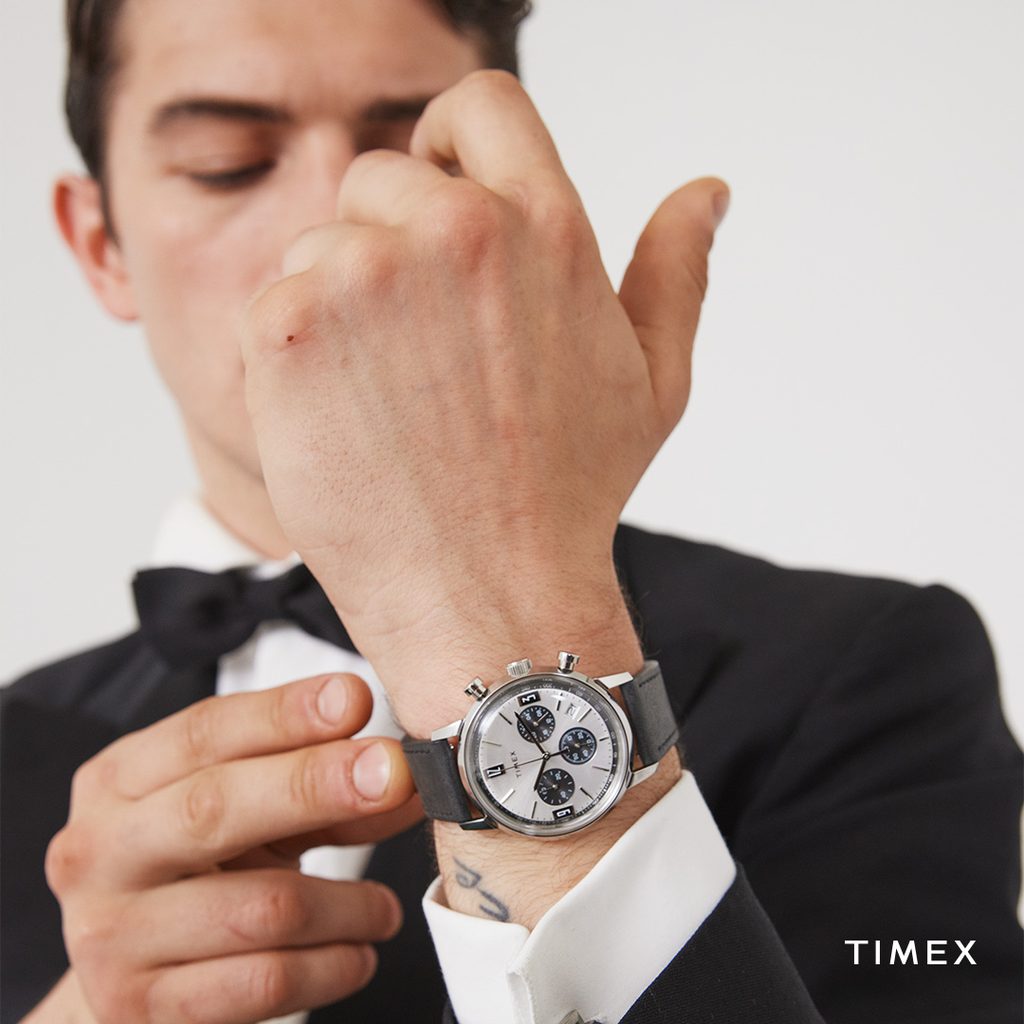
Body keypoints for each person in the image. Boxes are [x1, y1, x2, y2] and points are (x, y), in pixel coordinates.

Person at [2, 1, 1021, 1022]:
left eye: (402, 160)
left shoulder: (862, 672)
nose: (328, 233)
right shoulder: (16, 743)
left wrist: (503, 633)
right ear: (100, 246)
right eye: (227, 165)